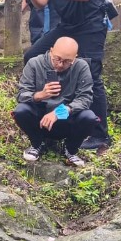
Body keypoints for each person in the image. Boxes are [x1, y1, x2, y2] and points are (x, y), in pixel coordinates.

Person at [24, 0, 111, 150]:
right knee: (32, 55)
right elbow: (43, 3)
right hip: (67, 25)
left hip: (91, 24)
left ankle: (100, 135)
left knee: (93, 75)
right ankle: (47, 109)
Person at [15, 36, 97, 166]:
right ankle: (37, 143)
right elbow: (21, 95)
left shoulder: (81, 67)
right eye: (57, 59)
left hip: (66, 117)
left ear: (75, 57)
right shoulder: (34, 63)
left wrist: (59, 112)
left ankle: (70, 149)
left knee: (89, 117)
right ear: (51, 50)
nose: (60, 64)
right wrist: (40, 95)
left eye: (67, 61)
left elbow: (85, 98)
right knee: (21, 111)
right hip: (40, 118)